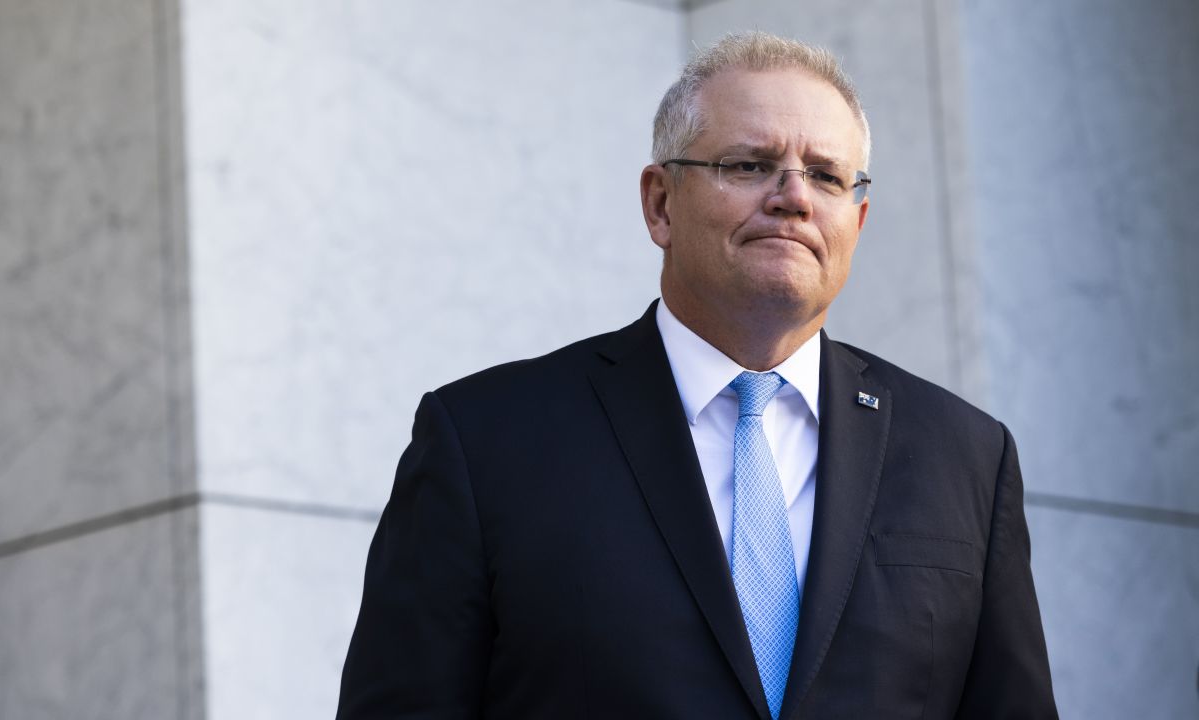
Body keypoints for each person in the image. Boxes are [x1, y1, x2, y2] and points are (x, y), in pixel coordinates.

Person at [336, 32, 1056, 719]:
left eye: (827, 176)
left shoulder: (964, 457)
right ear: (660, 204)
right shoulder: (485, 440)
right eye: (749, 165)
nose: (793, 197)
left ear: (856, 223)